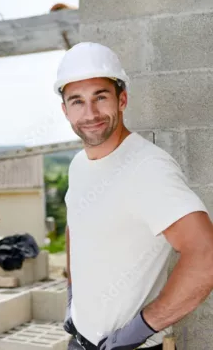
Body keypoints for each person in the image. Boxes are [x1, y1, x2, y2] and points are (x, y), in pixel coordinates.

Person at [55, 42, 213, 350]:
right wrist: (73, 297)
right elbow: (75, 225)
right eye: (77, 101)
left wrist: (138, 331)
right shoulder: (78, 165)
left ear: (122, 99)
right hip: (80, 341)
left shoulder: (147, 168)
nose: (90, 113)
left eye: (100, 97)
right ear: (65, 110)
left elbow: (205, 255)